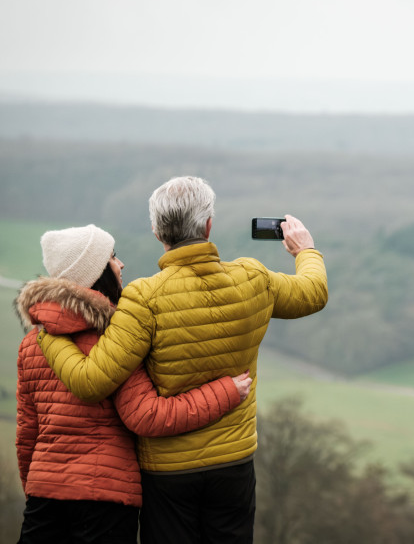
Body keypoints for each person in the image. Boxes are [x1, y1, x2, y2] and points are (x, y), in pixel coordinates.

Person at [38, 176, 328, 543]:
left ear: (157, 231)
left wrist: (49, 335)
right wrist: (305, 250)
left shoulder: (143, 297)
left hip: (168, 472)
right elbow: (314, 293)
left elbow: (90, 381)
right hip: (234, 464)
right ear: (208, 226)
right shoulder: (254, 278)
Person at [16, 224, 253, 543]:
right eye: (113, 257)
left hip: (44, 495)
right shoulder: (115, 338)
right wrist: (225, 391)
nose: (121, 264)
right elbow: (147, 415)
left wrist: (39, 485)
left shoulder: (34, 341)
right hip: (106, 498)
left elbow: (27, 433)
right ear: (95, 272)